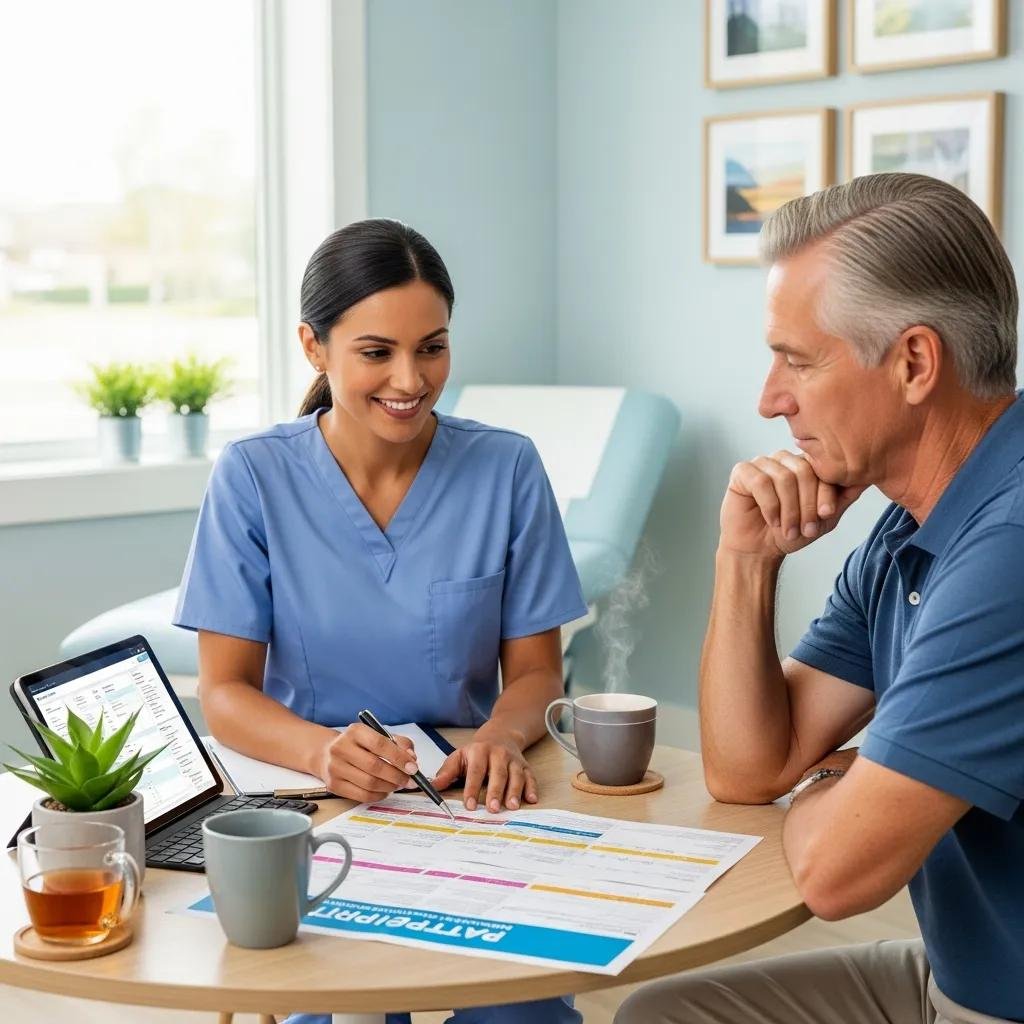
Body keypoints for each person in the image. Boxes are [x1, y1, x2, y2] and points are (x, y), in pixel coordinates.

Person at [617, 173, 1024, 1024]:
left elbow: (837, 875)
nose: (770, 399)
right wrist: (745, 559)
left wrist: (832, 780)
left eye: (798, 360)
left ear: (914, 363)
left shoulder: (1009, 548)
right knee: (660, 1015)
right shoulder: (915, 520)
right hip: (957, 981)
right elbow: (748, 769)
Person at [174, 219, 586, 1024]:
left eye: (432, 347)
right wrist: (322, 754)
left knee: (521, 1012)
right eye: (376, 352)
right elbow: (224, 694)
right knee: (337, 1008)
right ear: (314, 347)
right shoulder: (253, 477)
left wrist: (501, 738)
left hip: (468, 807)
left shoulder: (506, 467)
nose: (411, 379)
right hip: (317, 809)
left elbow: (538, 672)